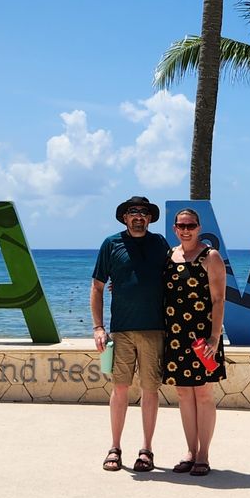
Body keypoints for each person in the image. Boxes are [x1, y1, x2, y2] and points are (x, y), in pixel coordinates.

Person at [91, 195, 169, 473]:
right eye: (133, 212)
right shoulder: (111, 244)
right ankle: (115, 447)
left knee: (150, 389)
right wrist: (98, 327)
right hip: (121, 330)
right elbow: (98, 286)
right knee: (120, 388)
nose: (138, 216)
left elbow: (173, 277)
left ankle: (146, 450)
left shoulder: (160, 244)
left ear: (149, 218)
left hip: (154, 329)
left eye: (143, 212)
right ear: (125, 217)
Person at [162, 207, 228, 477]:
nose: (186, 230)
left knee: (203, 394)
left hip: (203, 336)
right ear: (175, 229)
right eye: (181, 226)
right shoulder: (169, 256)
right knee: (183, 394)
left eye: (190, 225)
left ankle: (203, 454)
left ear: (199, 228)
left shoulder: (210, 256)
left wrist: (214, 337)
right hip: (176, 336)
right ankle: (190, 451)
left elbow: (219, 299)